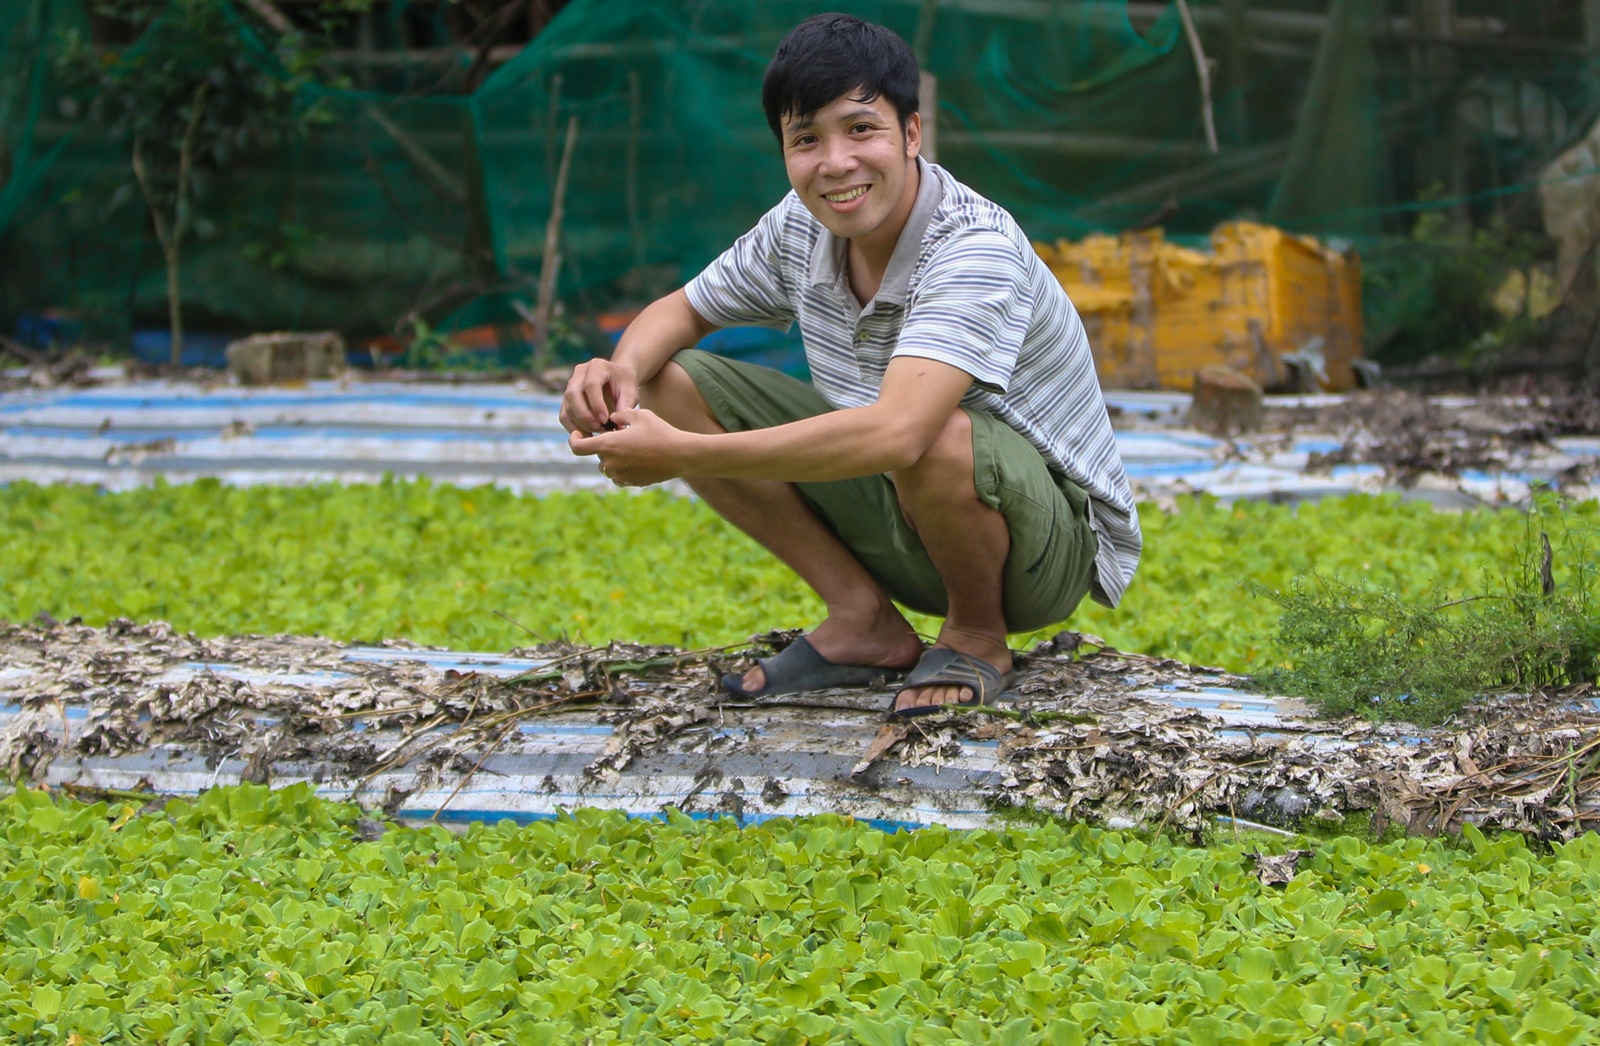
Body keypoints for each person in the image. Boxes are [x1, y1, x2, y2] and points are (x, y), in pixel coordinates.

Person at [560, 13, 1139, 717]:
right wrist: (615, 375)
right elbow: (681, 311)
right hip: (905, 509)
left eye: (860, 129)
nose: (835, 163)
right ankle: (862, 619)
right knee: (665, 378)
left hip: (1039, 552)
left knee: (935, 433)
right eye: (806, 139)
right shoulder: (801, 226)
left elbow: (899, 433)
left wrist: (683, 453)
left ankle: (977, 635)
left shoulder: (972, 247)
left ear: (911, 134)